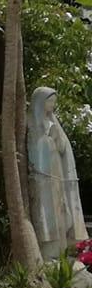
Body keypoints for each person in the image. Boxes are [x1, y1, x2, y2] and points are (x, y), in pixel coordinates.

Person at [27, 87, 89, 261]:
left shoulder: (53, 121)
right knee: (46, 214)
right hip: (42, 177)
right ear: (40, 102)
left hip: (56, 174)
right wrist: (46, 139)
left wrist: (55, 137)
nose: (52, 106)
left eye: (54, 102)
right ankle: (47, 253)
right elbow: (34, 148)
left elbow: (63, 148)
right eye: (50, 101)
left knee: (61, 212)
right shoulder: (31, 122)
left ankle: (60, 251)